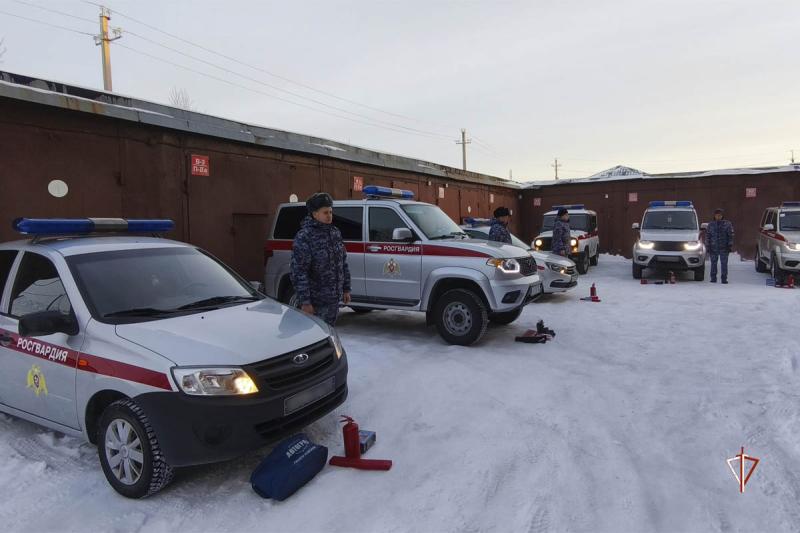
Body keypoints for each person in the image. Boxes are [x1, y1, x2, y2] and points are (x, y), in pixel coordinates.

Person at [290, 192, 351, 326]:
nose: (329, 215)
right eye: (325, 212)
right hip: (315, 302)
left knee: (329, 335)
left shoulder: (334, 233)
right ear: (314, 214)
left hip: (333, 300)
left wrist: (346, 289)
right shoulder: (305, 237)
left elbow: (342, 263)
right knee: (313, 337)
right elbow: (299, 272)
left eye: (330, 212)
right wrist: (305, 302)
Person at [705, 207, 734, 284]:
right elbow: (708, 236)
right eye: (717, 215)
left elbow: (730, 235)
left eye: (720, 215)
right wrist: (708, 246)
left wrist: (730, 245)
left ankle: (724, 278)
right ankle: (713, 278)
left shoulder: (727, 224)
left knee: (724, 263)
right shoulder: (710, 225)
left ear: (722, 216)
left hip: (724, 247)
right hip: (713, 247)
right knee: (713, 263)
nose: (718, 217)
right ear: (714, 216)